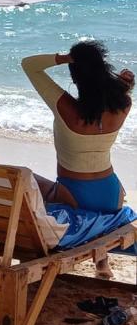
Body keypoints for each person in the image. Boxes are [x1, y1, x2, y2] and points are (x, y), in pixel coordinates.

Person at [22, 41, 135, 276]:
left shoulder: (64, 106)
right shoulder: (123, 103)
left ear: (75, 77)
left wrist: (66, 58)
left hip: (74, 194)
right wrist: (123, 85)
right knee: (96, 212)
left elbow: (29, 65)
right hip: (112, 193)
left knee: (28, 178)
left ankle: (100, 261)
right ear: (102, 69)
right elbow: (114, 94)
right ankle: (102, 262)